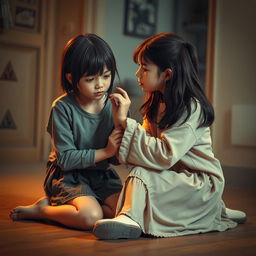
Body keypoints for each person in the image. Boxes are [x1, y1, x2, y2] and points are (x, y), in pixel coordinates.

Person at [92, 33, 246, 239]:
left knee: (141, 175)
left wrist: (125, 123)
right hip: (172, 178)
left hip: (199, 182)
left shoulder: (192, 108)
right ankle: (211, 211)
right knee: (141, 172)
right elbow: (146, 148)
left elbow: (164, 154)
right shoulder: (156, 103)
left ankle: (132, 218)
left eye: (145, 68)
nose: (138, 74)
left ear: (167, 74)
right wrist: (120, 123)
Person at [9, 34, 124, 230]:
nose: (100, 85)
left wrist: (121, 120)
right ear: (71, 78)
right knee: (91, 217)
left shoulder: (113, 105)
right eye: (90, 79)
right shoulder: (62, 108)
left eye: (106, 76)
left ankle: (78, 205)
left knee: (125, 211)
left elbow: (117, 159)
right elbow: (66, 159)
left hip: (101, 174)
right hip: (69, 175)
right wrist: (106, 151)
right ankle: (42, 210)